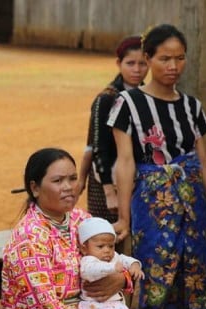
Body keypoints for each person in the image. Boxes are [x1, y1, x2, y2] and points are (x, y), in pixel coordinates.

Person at [108, 24, 206, 309]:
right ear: (147, 58)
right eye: (164, 59)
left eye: (179, 58)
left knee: (196, 278)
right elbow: (126, 163)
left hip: (194, 207)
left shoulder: (192, 107)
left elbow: (204, 162)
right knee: (154, 279)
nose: (173, 66)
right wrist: (124, 219)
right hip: (152, 209)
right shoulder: (127, 104)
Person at [1, 148, 129, 309]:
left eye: (73, 178)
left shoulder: (82, 220)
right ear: (35, 188)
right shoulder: (28, 238)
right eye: (58, 181)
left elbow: (112, 258)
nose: (69, 187)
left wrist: (122, 278)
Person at [76, 35, 149, 223]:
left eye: (142, 64)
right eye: (130, 63)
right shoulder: (106, 99)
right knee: (105, 237)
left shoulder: (148, 96)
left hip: (139, 179)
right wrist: (108, 191)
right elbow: (97, 147)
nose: (137, 70)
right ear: (119, 63)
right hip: (105, 181)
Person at [77, 217, 144, 309]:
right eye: (100, 246)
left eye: (111, 246)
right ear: (84, 248)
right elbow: (90, 272)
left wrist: (135, 265)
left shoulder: (114, 258)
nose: (107, 251)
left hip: (117, 307)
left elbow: (126, 260)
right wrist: (112, 268)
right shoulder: (89, 260)